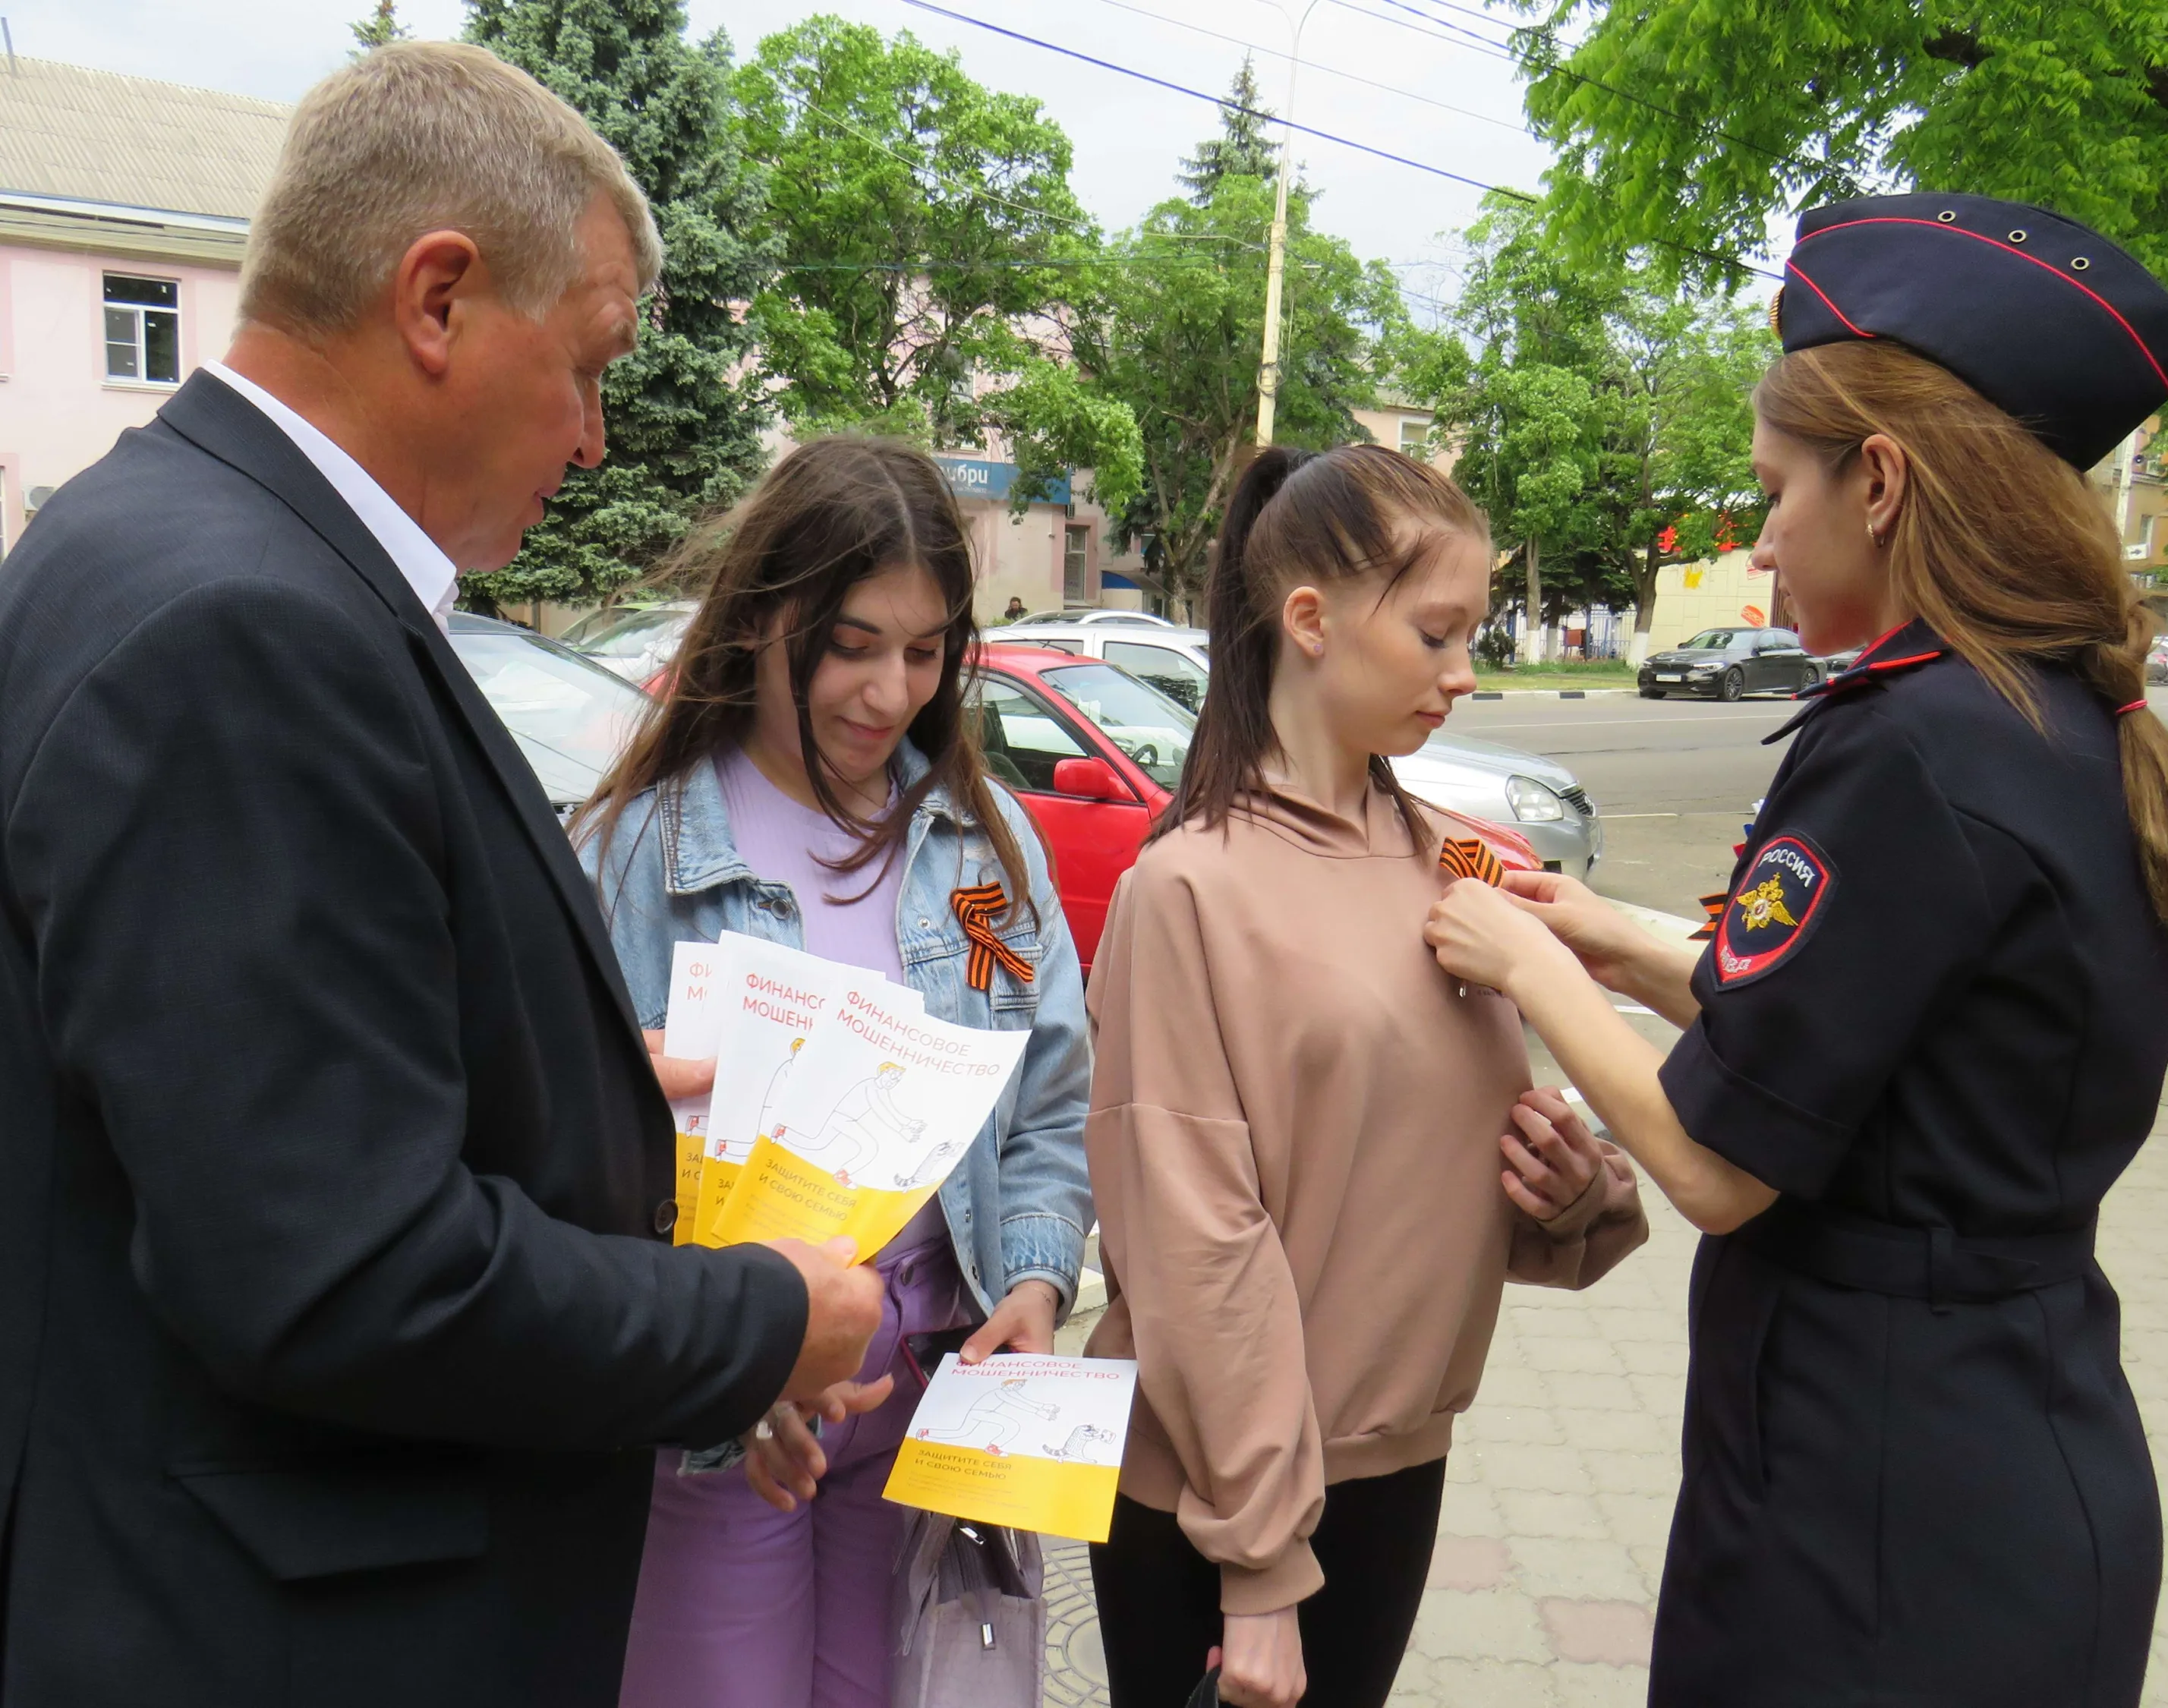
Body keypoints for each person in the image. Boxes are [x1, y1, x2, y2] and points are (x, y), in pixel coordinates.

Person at [0, 44, 884, 1708]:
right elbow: (338, 1270)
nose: (601, 438)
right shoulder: (242, 629)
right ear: (438, 301)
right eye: (589, 364)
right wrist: (757, 1322)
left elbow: (233, 1090)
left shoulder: (177, 546)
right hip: (282, 1631)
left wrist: (580, 1088)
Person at [1425, 192, 2168, 1708]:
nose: (1762, 544)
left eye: (1773, 494)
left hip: (1871, 1518)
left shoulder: (1911, 745)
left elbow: (1721, 1165)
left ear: (1879, 480)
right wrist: (1603, 932)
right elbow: (1865, 1026)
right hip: (2021, 1441)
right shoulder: (2065, 720)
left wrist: (1525, 966)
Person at [1083, 444, 1649, 1708]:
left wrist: (1569, 1195)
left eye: (1475, 634)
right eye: (1439, 632)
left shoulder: (1455, 864)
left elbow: (1415, 1153)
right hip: (1221, 1509)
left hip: (1395, 1475)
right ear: (1310, 620)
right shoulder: (1190, 888)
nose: (1464, 673)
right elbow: (1194, 1247)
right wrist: (1264, 1566)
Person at [576, 436, 1092, 1708]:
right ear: (763, 620)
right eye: (852, 644)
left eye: (925, 653)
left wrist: (1033, 1276)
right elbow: (591, 1157)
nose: (889, 691)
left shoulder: (986, 841)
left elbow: (1049, 1098)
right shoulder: (637, 847)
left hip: (931, 1391)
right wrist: (726, 1358)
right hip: (727, 1412)